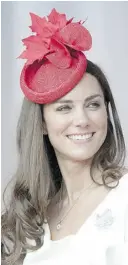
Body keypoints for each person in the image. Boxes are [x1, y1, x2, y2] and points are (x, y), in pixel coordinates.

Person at [1, 8, 128, 265]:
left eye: (93, 104)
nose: (82, 120)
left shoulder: (124, 196)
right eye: (64, 107)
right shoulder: (31, 217)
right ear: (42, 124)